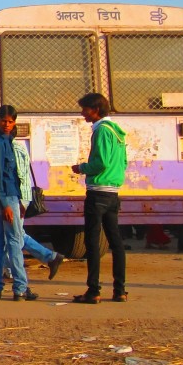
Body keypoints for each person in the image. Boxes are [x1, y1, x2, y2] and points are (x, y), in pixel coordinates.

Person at [71, 92, 128, 304]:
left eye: (85, 109)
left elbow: (100, 162)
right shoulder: (118, 132)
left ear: (95, 109)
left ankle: (93, 290)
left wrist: (81, 168)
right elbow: (123, 163)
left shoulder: (101, 131)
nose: (83, 113)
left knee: (93, 242)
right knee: (116, 241)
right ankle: (120, 289)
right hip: (113, 192)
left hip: (97, 191)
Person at [0, 106, 36, 301]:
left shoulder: (6, 140)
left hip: (5, 196)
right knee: (15, 242)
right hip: (6, 197)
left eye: (10, 122)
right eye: (3, 121)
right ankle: (20, 288)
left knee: (0, 242)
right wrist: (6, 204)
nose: (7, 125)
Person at [13, 132, 65, 280]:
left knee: (14, 235)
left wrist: (19, 201)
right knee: (12, 234)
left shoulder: (12, 150)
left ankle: (48, 257)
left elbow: (20, 177)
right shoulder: (20, 148)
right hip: (21, 196)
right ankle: (49, 257)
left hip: (17, 197)